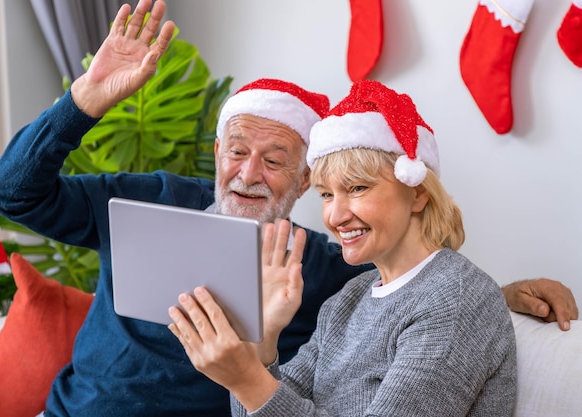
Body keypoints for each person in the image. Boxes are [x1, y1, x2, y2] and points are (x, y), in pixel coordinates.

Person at [0, 0, 575, 415]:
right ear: (217, 152)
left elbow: (412, 294)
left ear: (302, 180)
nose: (247, 174)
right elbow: (12, 193)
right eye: (237, 151)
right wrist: (84, 100)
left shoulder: (321, 266)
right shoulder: (148, 199)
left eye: (275, 160)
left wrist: (500, 295)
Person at [168, 79, 517, 416]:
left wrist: (246, 378)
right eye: (326, 194)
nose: (334, 216)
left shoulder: (455, 299)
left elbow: (259, 395)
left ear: (418, 193)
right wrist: (264, 342)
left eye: (357, 188)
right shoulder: (350, 298)